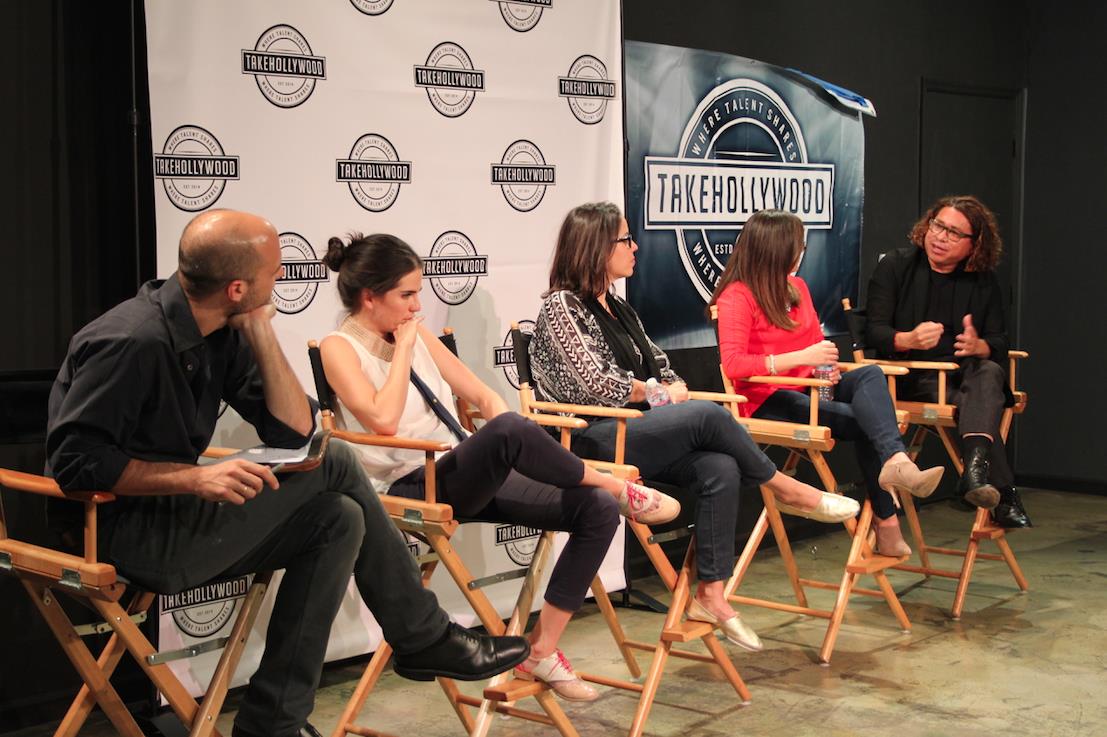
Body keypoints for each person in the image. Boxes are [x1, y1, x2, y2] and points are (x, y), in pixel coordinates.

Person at [45, 210, 530, 737]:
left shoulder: (221, 332)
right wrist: (191, 479)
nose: (281, 282)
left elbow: (298, 433)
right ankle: (424, 636)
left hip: (177, 515)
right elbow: (74, 463)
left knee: (339, 517)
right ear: (236, 287)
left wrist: (258, 328)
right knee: (341, 461)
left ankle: (273, 723)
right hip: (119, 533)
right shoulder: (131, 341)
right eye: (274, 274)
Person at [318, 233, 680, 702]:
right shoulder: (339, 347)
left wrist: (506, 439)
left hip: (460, 468)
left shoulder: (414, 332)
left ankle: (542, 649)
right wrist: (406, 349)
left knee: (594, 509)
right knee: (511, 432)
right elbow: (382, 421)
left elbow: (483, 396)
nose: (416, 306)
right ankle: (612, 484)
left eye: (418, 293)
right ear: (370, 296)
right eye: (406, 295)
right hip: (409, 486)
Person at [528, 201, 861, 653]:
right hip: (591, 439)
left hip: (639, 430)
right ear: (595, 248)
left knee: (720, 467)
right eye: (625, 239)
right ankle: (786, 487)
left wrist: (664, 388)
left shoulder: (620, 308)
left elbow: (663, 366)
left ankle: (710, 595)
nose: (635, 246)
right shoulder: (563, 307)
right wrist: (663, 394)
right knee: (708, 415)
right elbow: (601, 385)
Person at [711, 209, 945, 556]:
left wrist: (826, 369)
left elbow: (815, 346)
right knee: (872, 422)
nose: (801, 252)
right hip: (766, 398)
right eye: (798, 245)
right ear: (776, 249)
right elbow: (733, 365)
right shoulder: (737, 296)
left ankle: (896, 461)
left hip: (810, 387)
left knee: (869, 373)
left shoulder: (798, 287)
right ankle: (887, 521)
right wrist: (803, 358)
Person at [864, 195, 1031, 529]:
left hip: (966, 374)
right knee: (981, 397)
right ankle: (998, 489)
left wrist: (980, 344)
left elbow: (999, 340)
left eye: (954, 233)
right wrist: (907, 339)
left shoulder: (983, 280)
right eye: (938, 226)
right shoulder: (896, 266)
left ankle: (974, 475)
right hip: (914, 376)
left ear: (974, 245)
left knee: (988, 372)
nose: (940, 237)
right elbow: (873, 331)